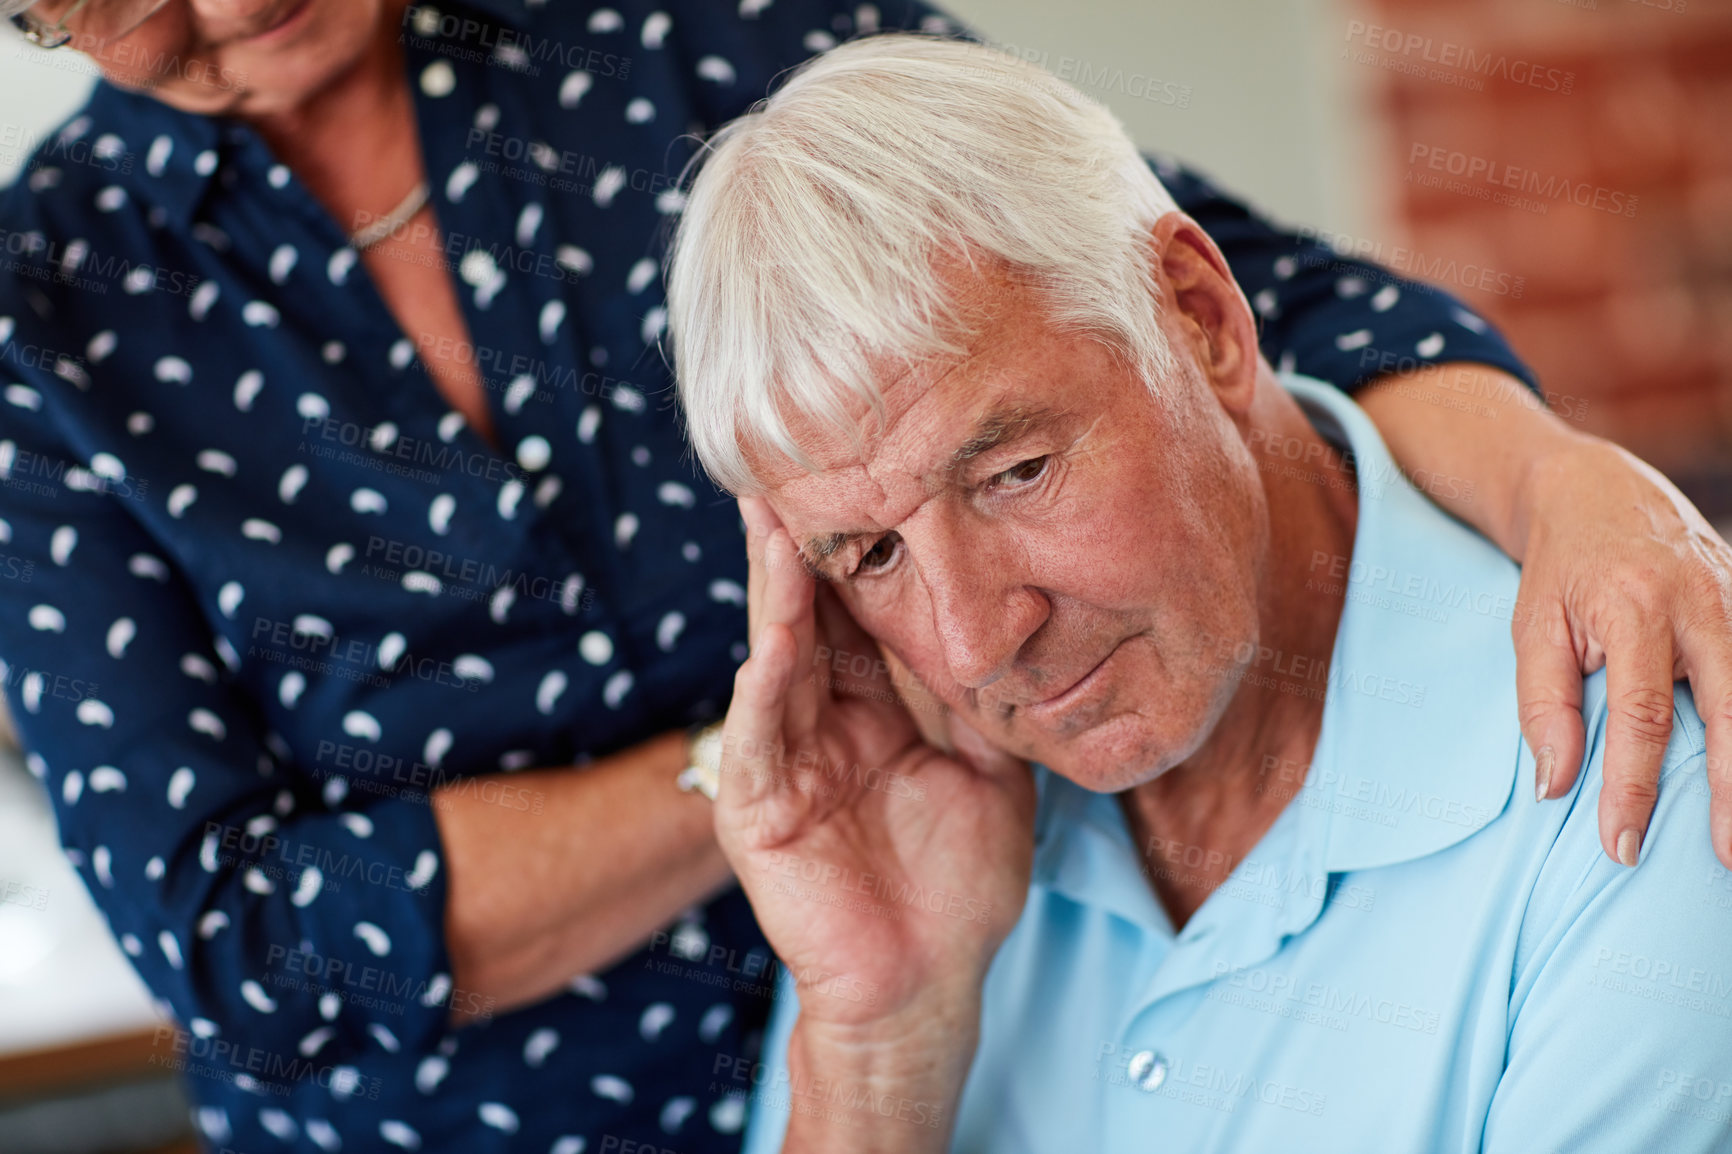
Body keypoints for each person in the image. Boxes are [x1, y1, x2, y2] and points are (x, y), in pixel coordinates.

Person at [2, 3, 1730, 1152]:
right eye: (869, 554)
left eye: (1015, 472)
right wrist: (785, 810)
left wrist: (1575, 481)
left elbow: (1213, 282)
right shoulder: (46, 305)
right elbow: (239, 936)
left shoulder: (691, 22)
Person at [667, 34, 1732, 1153]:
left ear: (1200, 316)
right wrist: (877, 1051)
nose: (976, 642)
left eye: (1014, 472)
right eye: (872, 554)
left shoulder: (1641, 794)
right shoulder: (913, 852)